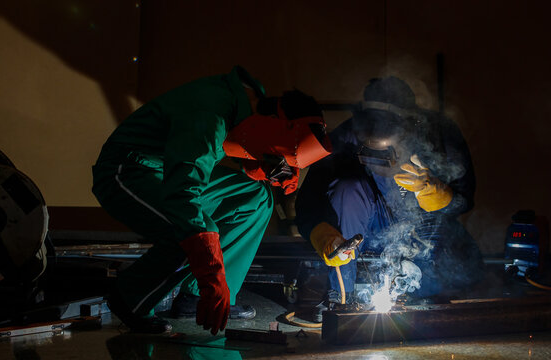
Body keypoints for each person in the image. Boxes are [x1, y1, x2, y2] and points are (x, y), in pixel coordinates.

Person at [92, 66, 332, 334]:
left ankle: (195, 298)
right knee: (184, 229)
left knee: (255, 197)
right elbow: (184, 192)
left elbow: (229, 145)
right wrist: (211, 274)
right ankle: (129, 298)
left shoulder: (245, 102)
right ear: (275, 120)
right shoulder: (210, 115)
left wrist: (262, 166)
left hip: (167, 168)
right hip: (127, 171)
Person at [295, 76, 484, 321]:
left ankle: (418, 289)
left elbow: (466, 199)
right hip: (366, 235)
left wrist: (437, 193)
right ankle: (341, 297)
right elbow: (308, 201)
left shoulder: (440, 134)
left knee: (459, 272)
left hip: (423, 231)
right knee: (349, 190)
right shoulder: (346, 137)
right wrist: (324, 235)